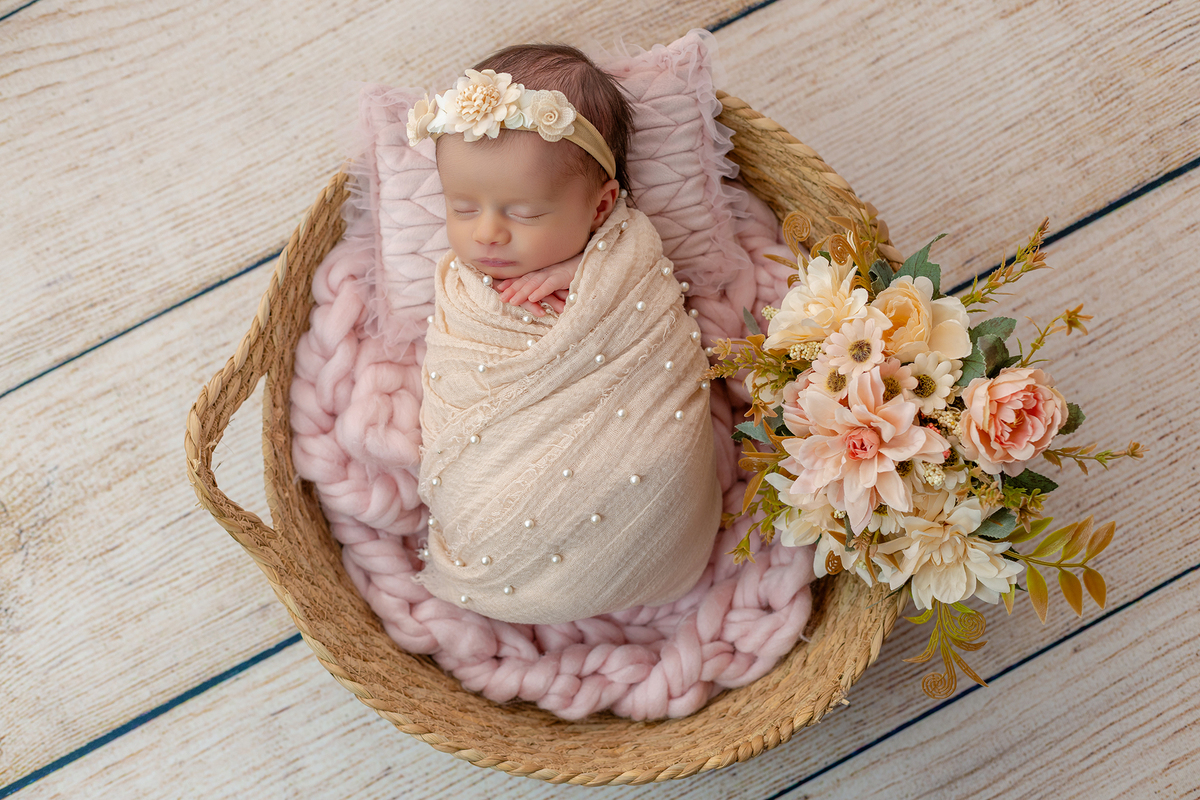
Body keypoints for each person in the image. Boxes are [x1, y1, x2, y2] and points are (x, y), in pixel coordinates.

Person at [407, 45, 721, 625]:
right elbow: (454, 373)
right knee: (478, 489)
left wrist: (587, 276)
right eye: (461, 207)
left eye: (524, 214)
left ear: (600, 208)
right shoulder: (463, 289)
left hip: (642, 464)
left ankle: (640, 550)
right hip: (496, 463)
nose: (488, 235)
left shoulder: (628, 256)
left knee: (663, 455)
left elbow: (643, 291)